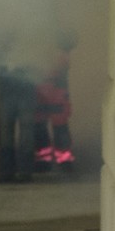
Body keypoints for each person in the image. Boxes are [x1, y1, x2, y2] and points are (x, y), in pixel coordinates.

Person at [35, 29, 76, 171]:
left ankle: (51, 161)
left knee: (51, 128)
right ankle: (57, 161)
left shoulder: (58, 51)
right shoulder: (60, 53)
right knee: (49, 128)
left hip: (50, 94)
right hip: (48, 94)